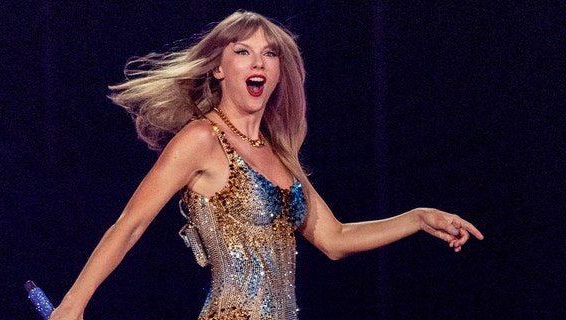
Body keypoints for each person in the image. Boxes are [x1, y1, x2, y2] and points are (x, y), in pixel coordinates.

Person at [50, 10, 484, 320]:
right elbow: (130, 224)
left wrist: (416, 218)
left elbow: (333, 238)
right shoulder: (202, 138)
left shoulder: (279, 154)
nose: (258, 62)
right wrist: (73, 305)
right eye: (243, 52)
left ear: (278, 72)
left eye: (270, 54)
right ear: (218, 69)